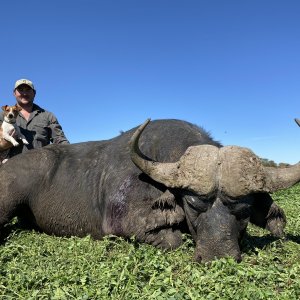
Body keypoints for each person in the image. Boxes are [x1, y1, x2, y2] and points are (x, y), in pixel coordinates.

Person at [0, 78, 69, 160]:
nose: (24, 93)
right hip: (10, 169)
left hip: (43, 167)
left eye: (28, 90)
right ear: (14, 93)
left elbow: (60, 140)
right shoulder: (2, 116)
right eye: (20, 90)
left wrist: (71, 153)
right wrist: (3, 145)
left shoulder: (48, 116)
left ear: (34, 93)